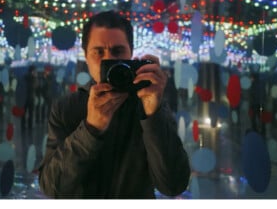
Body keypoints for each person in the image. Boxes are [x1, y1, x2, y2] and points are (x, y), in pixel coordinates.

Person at [38, 11, 190, 198]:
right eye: (98, 52)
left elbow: (173, 185)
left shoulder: (147, 104)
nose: (108, 60)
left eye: (118, 51)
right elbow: (53, 189)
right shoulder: (66, 108)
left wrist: (153, 115)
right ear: (86, 56)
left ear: (131, 54)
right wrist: (91, 128)